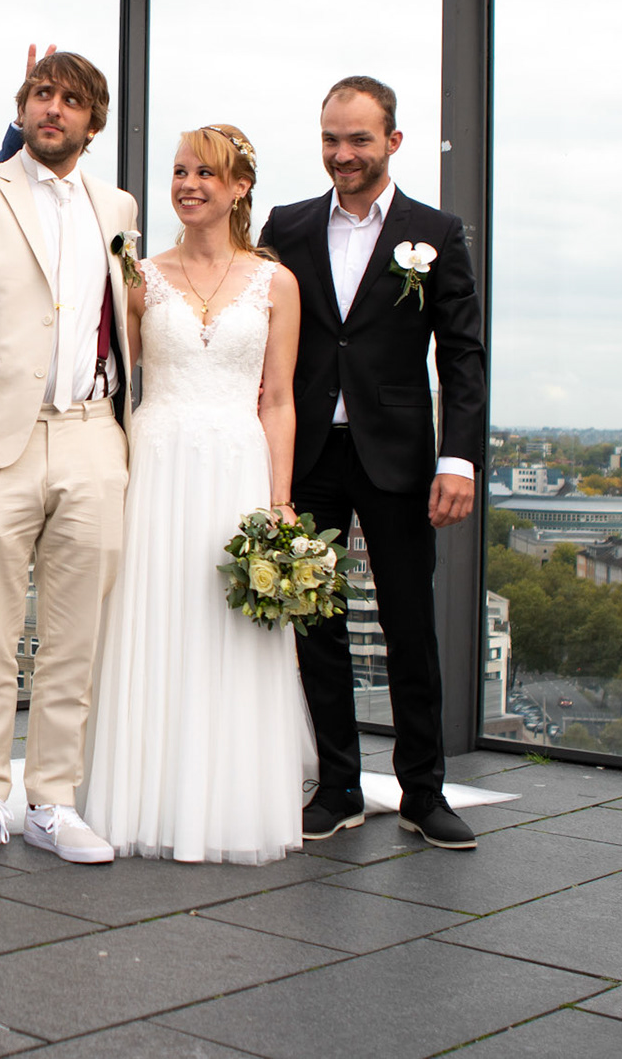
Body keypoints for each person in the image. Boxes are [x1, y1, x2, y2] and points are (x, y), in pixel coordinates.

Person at [0, 51, 139, 865]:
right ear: (22, 108)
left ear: (93, 121)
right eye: (42, 94)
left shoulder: (118, 207)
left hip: (93, 435)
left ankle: (53, 801)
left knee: (76, 639)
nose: (54, 109)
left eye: (71, 100)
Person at [257, 75, 486, 851]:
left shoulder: (436, 232)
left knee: (409, 625)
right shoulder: (287, 225)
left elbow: (462, 355)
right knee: (314, 622)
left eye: (358, 139)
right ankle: (339, 788)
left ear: (393, 141)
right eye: (331, 139)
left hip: (399, 456)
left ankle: (424, 792)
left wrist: (459, 458)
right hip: (309, 453)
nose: (342, 153)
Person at [81, 124, 311, 864]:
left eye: (206, 173)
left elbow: (279, 399)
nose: (188, 184)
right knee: (150, 619)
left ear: (239, 188)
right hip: (156, 466)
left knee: (228, 630)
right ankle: (139, 797)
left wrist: (280, 502)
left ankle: (228, 804)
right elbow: (113, 382)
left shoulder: (276, 284)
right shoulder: (139, 277)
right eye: (180, 171)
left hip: (238, 469)